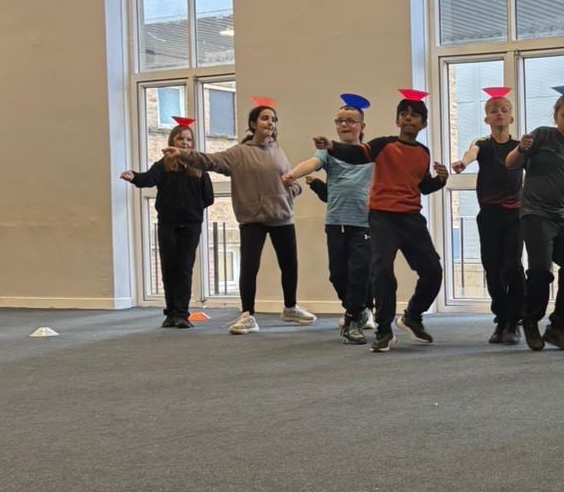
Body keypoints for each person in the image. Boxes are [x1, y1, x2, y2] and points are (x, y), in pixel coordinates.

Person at [166, 99, 315, 335]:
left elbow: (289, 181)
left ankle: (290, 308)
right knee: (249, 267)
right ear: (253, 124)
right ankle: (247, 315)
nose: (270, 123)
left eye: (273, 119)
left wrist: (293, 189)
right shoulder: (239, 153)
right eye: (265, 118)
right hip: (252, 219)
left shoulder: (278, 152)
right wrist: (183, 153)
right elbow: (210, 160)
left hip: (282, 217)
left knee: (290, 265)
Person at [319, 90, 448, 353]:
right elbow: (356, 154)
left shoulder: (423, 152)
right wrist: (332, 146)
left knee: (433, 271)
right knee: (382, 273)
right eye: (404, 114)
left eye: (415, 115)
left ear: (423, 124)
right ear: (397, 120)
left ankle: (413, 316)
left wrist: (441, 180)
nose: (409, 118)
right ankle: (384, 331)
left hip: (412, 219)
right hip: (382, 218)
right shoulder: (383, 145)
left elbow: (423, 186)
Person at [283, 94, 374, 344]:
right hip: (336, 222)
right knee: (337, 274)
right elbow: (311, 163)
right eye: (340, 121)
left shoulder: (369, 154)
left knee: (360, 272)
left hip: (364, 223)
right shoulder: (328, 152)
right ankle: (357, 309)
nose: (344, 125)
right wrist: (292, 174)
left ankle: (353, 319)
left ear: (362, 126)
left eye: (350, 121)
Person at [508, 89, 564, 352]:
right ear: (556, 116)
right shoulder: (542, 135)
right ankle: (530, 320)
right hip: (535, 214)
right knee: (541, 270)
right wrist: (520, 148)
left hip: (563, 216)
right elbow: (511, 163)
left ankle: (558, 327)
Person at [120, 116, 213, 328]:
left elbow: (208, 197)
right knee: (169, 268)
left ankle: (181, 314)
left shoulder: (199, 168)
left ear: (193, 143)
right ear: (172, 141)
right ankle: (170, 313)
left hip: (190, 225)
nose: (185, 143)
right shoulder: (163, 165)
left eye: (188, 139)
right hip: (168, 224)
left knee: (184, 268)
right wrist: (133, 176)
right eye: (180, 139)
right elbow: (147, 179)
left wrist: (193, 208)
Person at [452, 88, 525, 345]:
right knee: (492, 269)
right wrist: (463, 163)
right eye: (493, 110)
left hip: (515, 215)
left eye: (504, 110)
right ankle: (501, 318)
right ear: (486, 119)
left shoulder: (519, 147)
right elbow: (471, 153)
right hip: (489, 216)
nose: (499, 113)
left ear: (511, 118)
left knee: (512, 267)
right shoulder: (483, 145)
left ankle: (514, 320)